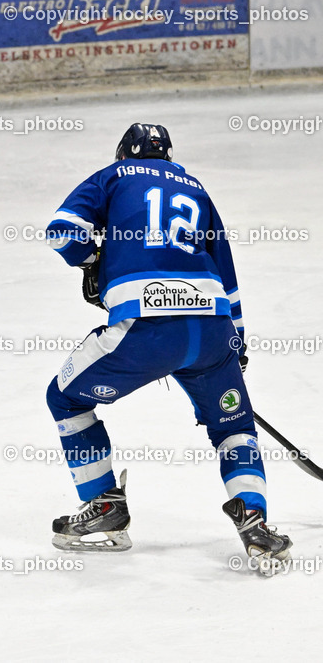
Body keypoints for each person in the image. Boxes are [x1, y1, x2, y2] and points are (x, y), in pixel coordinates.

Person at [43, 123, 291, 566]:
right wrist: (236, 342)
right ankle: (255, 522)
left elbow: (63, 231)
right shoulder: (196, 187)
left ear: (123, 154)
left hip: (146, 328)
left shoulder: (113, 176)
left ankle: (105, 508)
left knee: (63, 398)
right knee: (234, 429)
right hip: (213, 329)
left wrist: (94, 260)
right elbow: (226, 272)